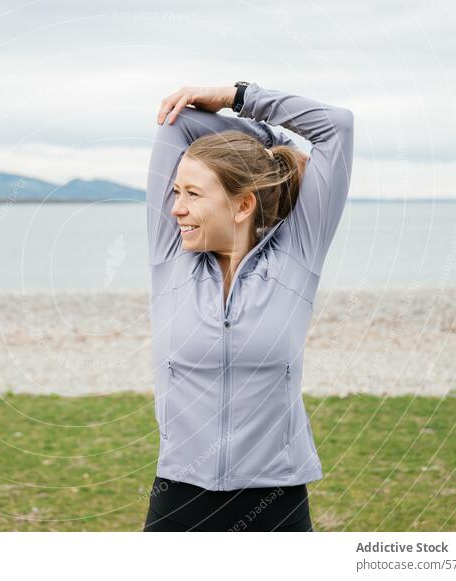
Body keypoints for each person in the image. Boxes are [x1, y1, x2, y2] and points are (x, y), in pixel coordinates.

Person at [143, 81, 354, 531]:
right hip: (179, 494)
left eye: (193, 195)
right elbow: (174, 123)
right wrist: (257, 141)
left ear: (242, 205)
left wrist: (240, 97)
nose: (175, 208)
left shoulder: (298, 254)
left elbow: (335, 128)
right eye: (175, 192)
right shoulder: (170, 255)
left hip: (276, 498)